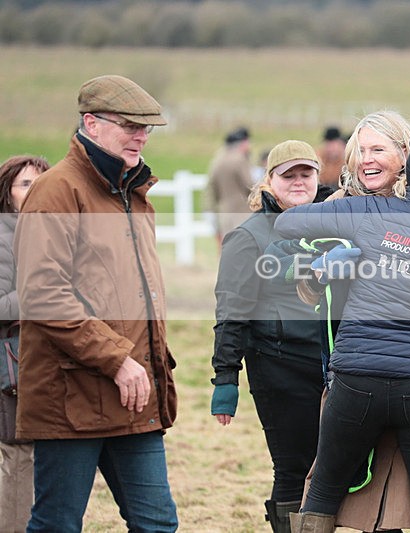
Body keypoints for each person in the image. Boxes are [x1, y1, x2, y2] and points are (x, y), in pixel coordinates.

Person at [276, 127, 410, 533]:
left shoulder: (372, 210)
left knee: (324, 493)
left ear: (407, 170)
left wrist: (335, 255)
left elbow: (288, 225)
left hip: (358, 380)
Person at [13, 75, 178, 532]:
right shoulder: (56, 191)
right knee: (58, 525)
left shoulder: (133, 195)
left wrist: (146, 365)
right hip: (72, 398)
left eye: (146, 128)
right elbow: (45, 294)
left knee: (158, 525)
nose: (140, 136)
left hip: (132, 396)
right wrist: (118, 359)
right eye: (129, 125)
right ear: (92, 123)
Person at [210, 140, 332, 533]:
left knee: (335, 465)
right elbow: (231, 310)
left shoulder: (332, 224)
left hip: (334, 366)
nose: (299, 182)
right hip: (279, 367)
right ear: (270, 180)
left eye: (306, 173)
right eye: (288, 175)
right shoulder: (249, 237)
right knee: (294, 466)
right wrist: (226, 377)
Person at [0, 155, 49, 533]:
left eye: (42, 183)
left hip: (48, 358)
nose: (35, 193)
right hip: (14, 361)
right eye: (25, 185)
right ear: (7, 192)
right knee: (18, 457)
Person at [205, 125, 255, 244]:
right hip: (242, 213)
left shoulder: (218, 160)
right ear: (243, 143)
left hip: (224, 214)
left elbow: (211, 187)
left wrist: (209, 209)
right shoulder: (240, 160)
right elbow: (249, 185)